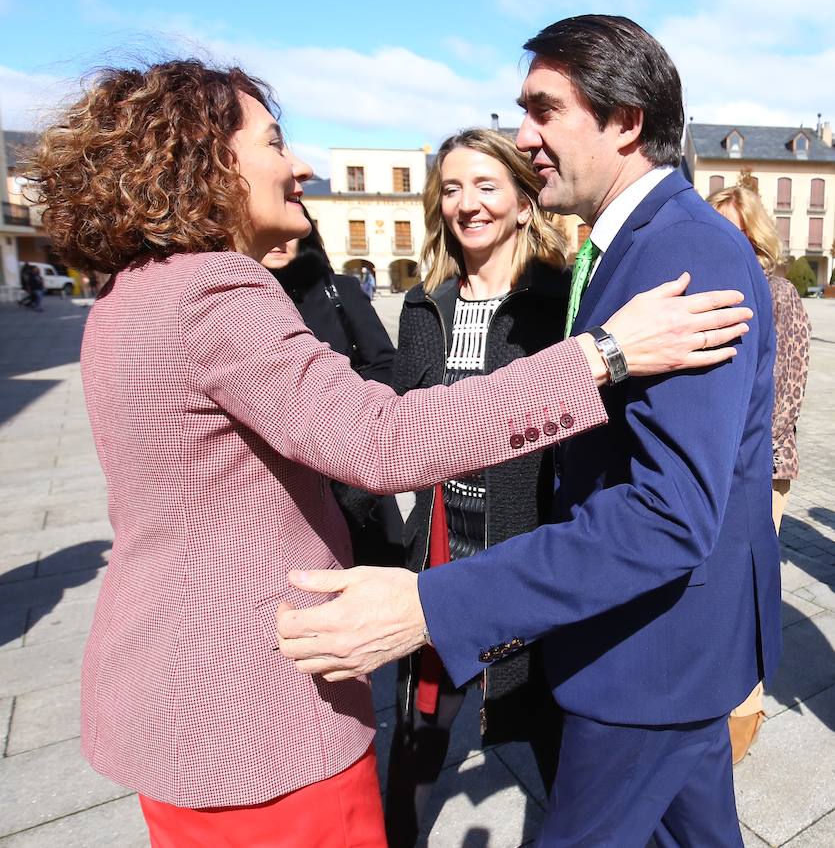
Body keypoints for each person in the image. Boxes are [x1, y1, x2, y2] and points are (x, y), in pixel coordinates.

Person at [24, 59, 745, 848]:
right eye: (274, 142)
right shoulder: (212, 291)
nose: (301, 164)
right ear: (205, 160)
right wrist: (602, 354)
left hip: (173, 698)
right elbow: (379, 437)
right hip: (250, 710)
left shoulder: (131, 292)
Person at [279, 15, 779, 848]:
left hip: (647, 654)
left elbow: (668, 512)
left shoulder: (683, 254)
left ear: (624, 121)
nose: (524, 137)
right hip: (668, 649)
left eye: (544, 111)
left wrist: (435, 604)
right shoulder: (632, 245)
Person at [384, 127, 569, 846]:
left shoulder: (557, 304)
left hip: (529, 551)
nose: (467, 204)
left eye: (486, 186)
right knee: (424, 717)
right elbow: (404, 431)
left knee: (549, 719)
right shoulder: (422, 307)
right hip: (443, 552)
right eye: (452, 188)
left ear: (524, 203)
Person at [708, 184, 811, 763]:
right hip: (712, 466)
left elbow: (786, 392)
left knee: (749, 584)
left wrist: (747, 466)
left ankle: (746, 704)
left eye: (737, 229)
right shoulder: (707, 293)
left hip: (759, 468)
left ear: (756, 233)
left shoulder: (779, 292)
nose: (729, 241)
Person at [262, 205, 403, 566]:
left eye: (289, 232)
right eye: (268, 230)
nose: (280, 242)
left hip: (351, 472)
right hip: (281, 485)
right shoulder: (242, 300)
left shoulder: (337, 290)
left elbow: (385, 363)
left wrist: (343, 407)